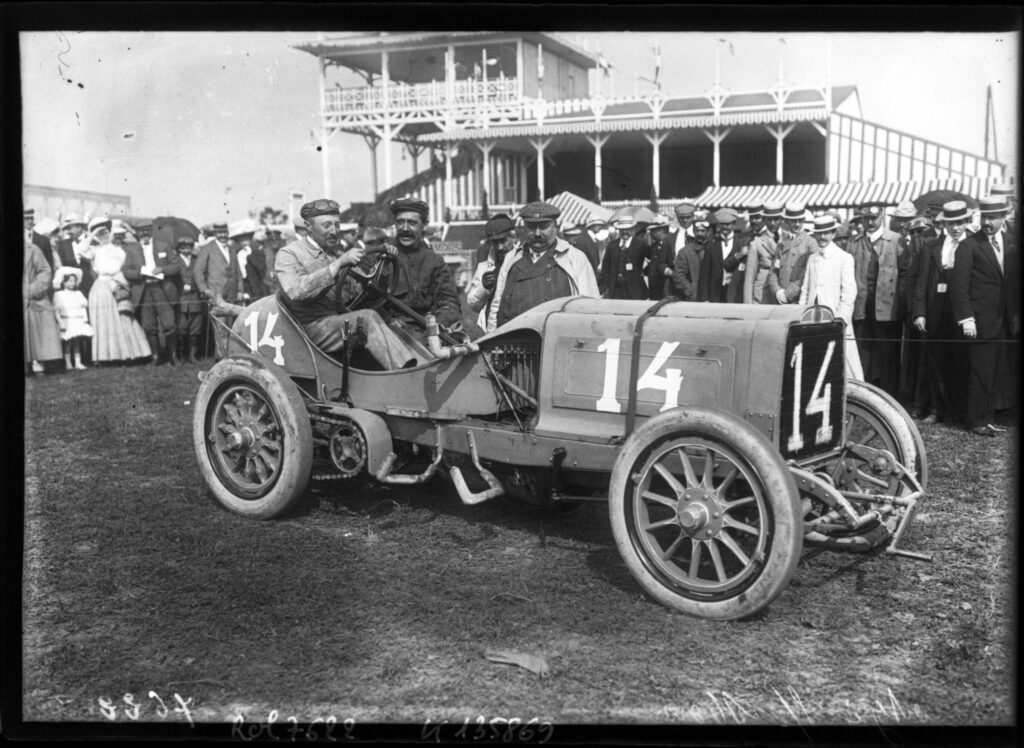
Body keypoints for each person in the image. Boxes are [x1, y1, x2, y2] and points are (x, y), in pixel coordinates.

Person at [275, 199, 427, 370]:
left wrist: (382, 263)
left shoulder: (335, 253)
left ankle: (424, 364)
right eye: (326, 226)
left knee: (391, 322)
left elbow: (361, 289)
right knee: (367, 319)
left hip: (337, 322)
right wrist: (338, 264)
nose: (334, 231)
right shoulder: (289, 253)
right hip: (308, 329)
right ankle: (406, 373)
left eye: (337, 225)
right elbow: (296, 291)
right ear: (308, 226)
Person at [949, 196, 1020, 437]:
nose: (987, 222)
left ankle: (988, 417)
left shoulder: (1011, 243)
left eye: (993, 218)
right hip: (980, 321)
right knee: (980, 372)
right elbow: (959, 286)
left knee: (998, 371)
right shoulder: (969, 246)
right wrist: (967, 319)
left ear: (1003, 218)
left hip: (1005, 321)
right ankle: (976, 420)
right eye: (984, 217)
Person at [487, 201, 599, 332]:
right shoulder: (511, 258)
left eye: (544, 226)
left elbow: (591, 307)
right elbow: (497, 304)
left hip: (557, 339)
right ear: (523, 228)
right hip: (514, 341)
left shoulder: (575, 258)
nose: (537, 233)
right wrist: (491, 337)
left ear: (555, 226)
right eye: (531, 227)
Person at [911, 201, 971, 425]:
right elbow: (921, 281)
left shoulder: (973, 245)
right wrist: (919, 312)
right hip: (936, 308)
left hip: (962, 312)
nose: (955, 228)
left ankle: (959, 411)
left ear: (966, 222)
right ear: (944, 224)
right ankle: (937, 409)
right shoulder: (932, 247)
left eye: (959, 223)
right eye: (951, 223)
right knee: (935, 361)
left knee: (960, 362)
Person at [849, 204, 909, 398]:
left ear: (882, 216)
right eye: (866, 218)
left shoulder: (895, 241)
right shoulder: (855, 242)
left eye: (874, 218)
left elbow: (905, 275)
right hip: (862, 306)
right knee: (863, 353)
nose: (870, 222)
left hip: (887, 307)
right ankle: (864, 398)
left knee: (888, 355)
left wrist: (899, 305)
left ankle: (889, 396)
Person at [384, 198, 463, 340]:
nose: (405, 228)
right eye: (400, 222)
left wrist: (438, 321)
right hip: (393, 333)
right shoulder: (382, 259)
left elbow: (449, 300)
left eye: (412, 223)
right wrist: (388, 320)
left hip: (430, 329)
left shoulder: (435, 261)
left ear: (424, 225)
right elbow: (369, 302)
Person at [799, 216, 863, 380]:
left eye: (826, 233)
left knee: (846, 364)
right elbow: (806, 290)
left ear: (833, 234)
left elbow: (849, 294)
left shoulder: (844, 258)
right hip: (813, 320)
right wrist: (801, 313)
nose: (822, 237)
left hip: (836, 320)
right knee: (817, 362)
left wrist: (840, 320)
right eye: (819, 233)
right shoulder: (812, 258)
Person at [86, 217, 152, 364]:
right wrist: (93, 233)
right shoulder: (94, 250)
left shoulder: (118, 251)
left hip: (116, 284)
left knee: (123, 319)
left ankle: (127, 354)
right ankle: (105, 357)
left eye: (106, 233)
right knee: (104, 321)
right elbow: (82, 250)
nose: (103, 237)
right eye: (100, 234)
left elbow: (120, 267)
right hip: (100, 287)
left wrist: (117, 282)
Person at [122, 220, 182, 365]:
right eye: (142, 231)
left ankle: (173, 356)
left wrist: (162, 269)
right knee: (149, 326)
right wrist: (140, 273)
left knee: (169, 324)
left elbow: (176, 265)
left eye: (147, 230)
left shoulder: (164, 245)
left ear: (152, 231)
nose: (145, 234)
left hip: (162, 289)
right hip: (144, 291)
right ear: (137, 233)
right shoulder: (132, 250)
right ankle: (156, 356)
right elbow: (126, 271)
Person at [466, 214, 516, 334]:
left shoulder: (521, 262)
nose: (499, 247)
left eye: (503, 241)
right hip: (489, 332)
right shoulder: (484, 267)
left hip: (514, 329)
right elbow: (473, 305)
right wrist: (484, 288)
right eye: (494, 242)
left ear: (513, 237)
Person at [24, 235, 63, 375]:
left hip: (33, 297)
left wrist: (31, 290)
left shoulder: (33, 250)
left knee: (36, 333)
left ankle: (38, 363)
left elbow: (45, 271)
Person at [765, 201, 814, 305]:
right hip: (780, 298)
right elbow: (773, 271)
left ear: (804, 220)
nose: (797, 224)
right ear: (787, 221)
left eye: (800, 221)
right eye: (794, 221)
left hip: (799, 299)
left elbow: (806, 274)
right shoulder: (781, 244)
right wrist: (777, 290)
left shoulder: (811, 243)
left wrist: (789, 294)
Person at [52, 266, 94, 371]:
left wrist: (84, 318)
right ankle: (68, 362)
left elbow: (84, 305)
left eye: (73, 281)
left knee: (76, 342)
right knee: (68, 342)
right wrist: (60, 321)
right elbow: (56, 310)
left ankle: (78, 362)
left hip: (77, 320)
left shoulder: (78, 294)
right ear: (63, 282)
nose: (72, 283)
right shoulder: (59, 294)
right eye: (69, 281)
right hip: (68, 321)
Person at [600, 216, 650, 300]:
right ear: (618, 230)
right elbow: (605, 267)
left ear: (633, 229)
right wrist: (606, 285)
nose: (625, 232)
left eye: (628, 229)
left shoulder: (641, 245)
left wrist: (643, 271)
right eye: (622, 229)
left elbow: (652, 261)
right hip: (616, 290)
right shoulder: (612, 245)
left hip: (635, 290)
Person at [194, 221, 242, 307]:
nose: (223, 235)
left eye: (225, 232)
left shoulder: (232, 249)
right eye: (220, 233)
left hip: (232, 293)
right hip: (216, 294)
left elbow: (238, 272)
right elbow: (198, 271)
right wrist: (204, 290)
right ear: (215, 234)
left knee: (232, 319)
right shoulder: (207, 248)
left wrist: (240, 291)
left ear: (228, 233)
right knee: (219, 319)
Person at [743, 201, 783, 303]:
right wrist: (748, 305)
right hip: (762, 296)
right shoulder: (756, 243)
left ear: (782, 219)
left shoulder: (789, 238)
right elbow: (749, 278)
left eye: (776, 219)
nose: (773, 223)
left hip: (783, 294)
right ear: (764, 220)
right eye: (769, 219)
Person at [172, 236, 204, 363]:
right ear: (179, 249)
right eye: (183, 248)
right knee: (181, 327)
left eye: (188, 248)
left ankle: (192, 354)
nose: (186, 250)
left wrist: (194, 287)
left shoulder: (197, 260)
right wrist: (181, 287)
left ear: (192, 248)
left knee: (195, 328)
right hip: (181, 298)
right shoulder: (175, 261)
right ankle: (180, 354)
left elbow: (202, 276)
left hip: (195, 297)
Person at [672, 211, 713, 301]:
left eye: (703, 231)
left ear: (708, 232)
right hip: (693, 298)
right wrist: (690, 290)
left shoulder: (715, 249)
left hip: (712, 296)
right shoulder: (685, 252)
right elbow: (679, 275)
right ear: (693, 231)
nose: (700, 234)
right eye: (697, 231)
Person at [715, 208, 749, 303]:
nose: (725, 227)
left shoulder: (742, 242)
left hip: (735, 290)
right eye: (722, 224)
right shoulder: (713, 243)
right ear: (718, 225)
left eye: (728, 224)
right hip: (717, 291)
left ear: (734, 225)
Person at [646, 215, 674, 300]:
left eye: (653, 231)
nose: (651, 234)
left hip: (665, 284)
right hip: (654, 285)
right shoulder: (654, 246)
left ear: (661, 231)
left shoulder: (670, 244)